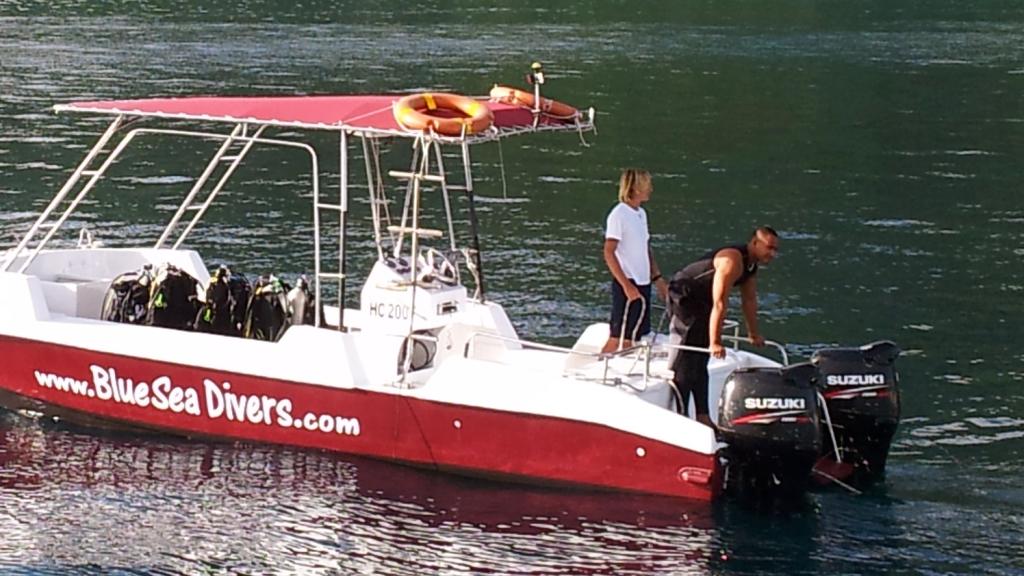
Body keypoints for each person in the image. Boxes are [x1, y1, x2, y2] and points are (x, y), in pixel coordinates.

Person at [667, 226, 780, 426]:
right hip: (684, 293)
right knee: (688, 357)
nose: (772, 254)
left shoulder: (751, 266)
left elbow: (749, 301)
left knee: (701, 360)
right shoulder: (731, 261)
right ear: (754, 243)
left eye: (775, 250)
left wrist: (754, 333)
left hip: (703, 300)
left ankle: (703, 416)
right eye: (769, 248)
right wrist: (715, 341)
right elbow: (720, 303)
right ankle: (681, 417)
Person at [601, 168, 669, 354]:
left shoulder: (641, 214)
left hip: (642, 282)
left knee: (635, 335)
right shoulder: (619, 215)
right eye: (647, 185)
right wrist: (626, 285)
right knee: (618, 337)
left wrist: (658, 279)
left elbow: (645, 247)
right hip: (628, 282)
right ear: (636, 188)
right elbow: (609, 252)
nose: (651, 189)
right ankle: (600, 366)